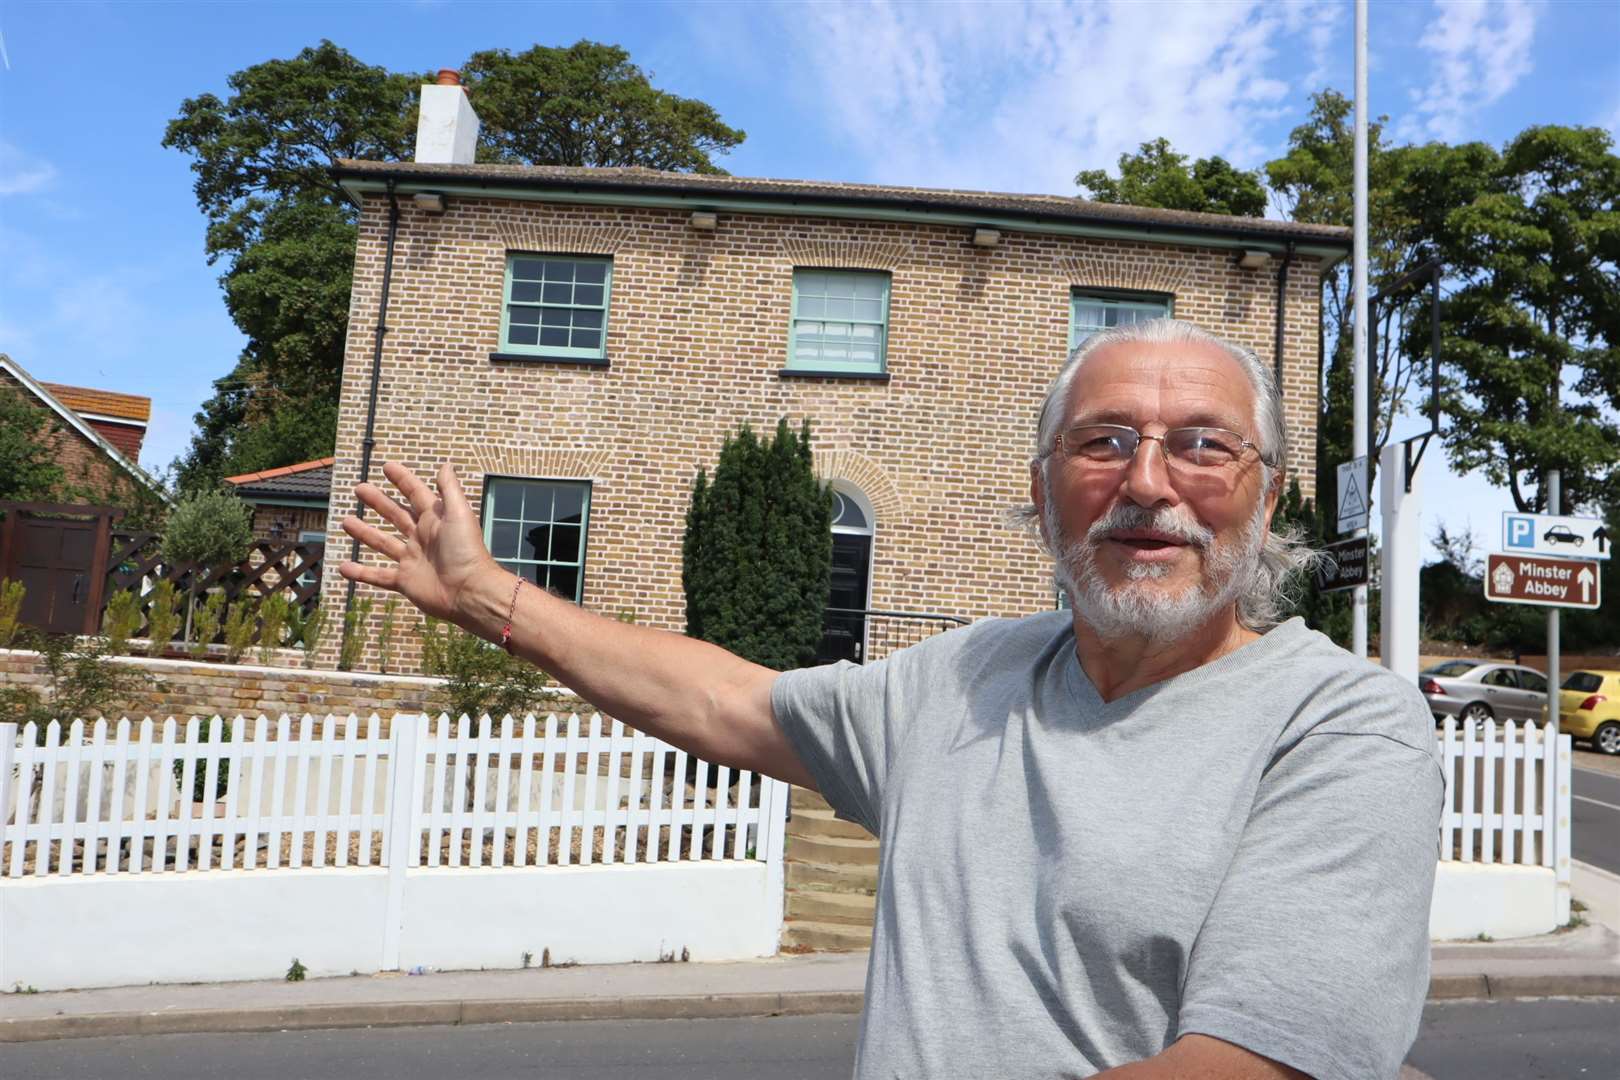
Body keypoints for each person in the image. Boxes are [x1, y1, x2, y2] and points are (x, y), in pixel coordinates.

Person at [340, 318, 1443, 1080]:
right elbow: (728, 703)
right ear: (1041, 487)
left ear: (1270, 490)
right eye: (1102, 442)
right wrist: (487, 595)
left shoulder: (1338, 724)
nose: (1148, 483)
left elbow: (1250, 1063)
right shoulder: (964, 677)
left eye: (1203, 445)